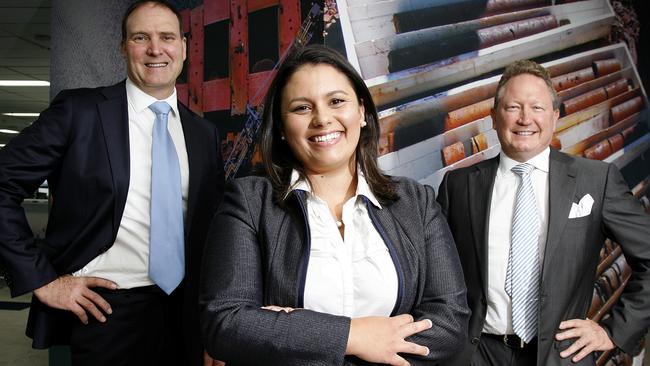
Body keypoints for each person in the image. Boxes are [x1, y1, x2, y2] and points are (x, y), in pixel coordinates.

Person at [199, 44, 469, 365]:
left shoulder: (417, 202)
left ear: (363, 113)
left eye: (337, 101)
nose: (323, 119)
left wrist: (290, 329)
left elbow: (450, 323)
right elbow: (226, 323)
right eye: (302, 108)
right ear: (283, 129)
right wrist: (354, 337)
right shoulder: (249, 201)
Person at [0, 1, 225, 365]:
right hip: (106, 312)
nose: (156, 49)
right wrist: (43, 280)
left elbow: (213, 234)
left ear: (183, 46)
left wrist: (216, 323)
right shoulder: (80, 113)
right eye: (141, 37)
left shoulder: (203, 134)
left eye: (167, 37)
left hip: (186, 313)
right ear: (123, 46)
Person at [437, 59, 650, 365]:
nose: (525, 119)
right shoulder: (458, 186)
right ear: (494, 117)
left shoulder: (596, 180)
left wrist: (614, 331)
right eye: (513, 108)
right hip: (477, 355)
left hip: (561, 356)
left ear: (555, 115)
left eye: (537, 108)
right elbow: (434, 274)